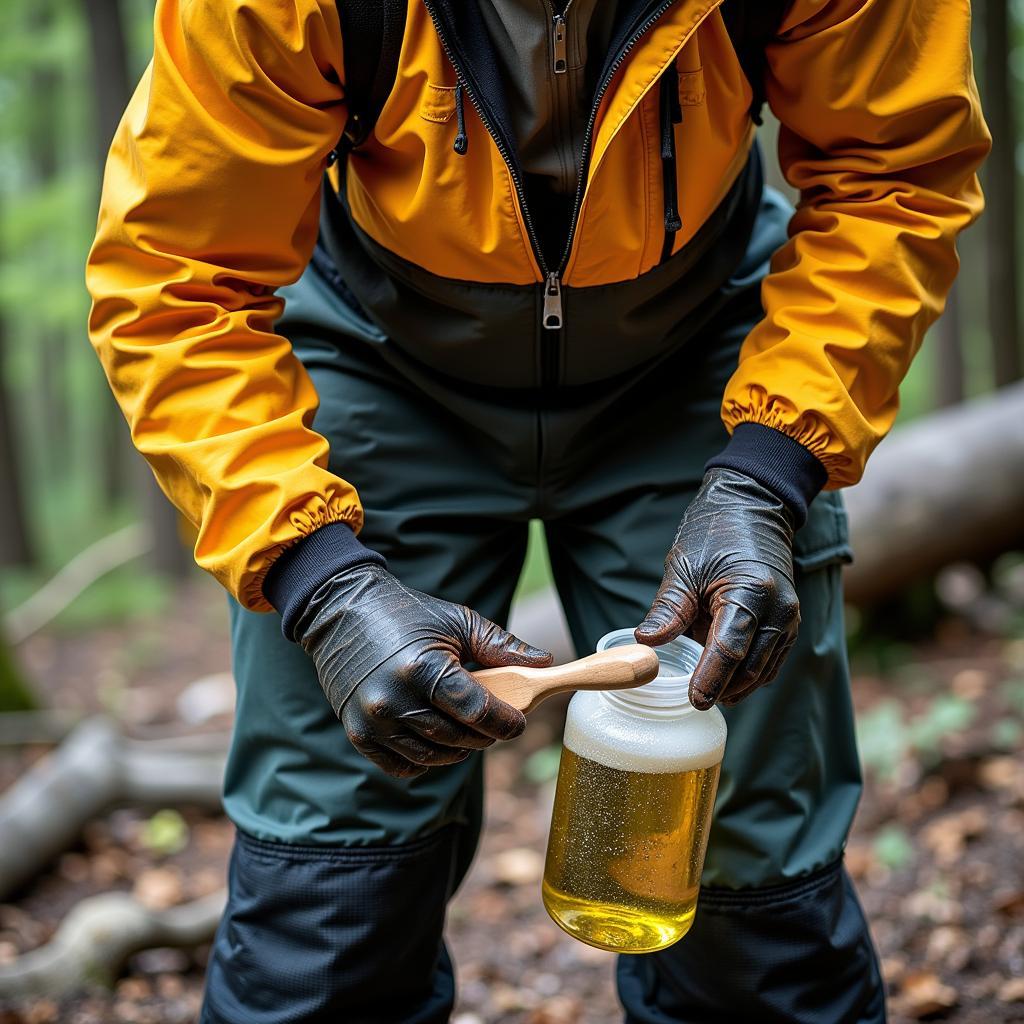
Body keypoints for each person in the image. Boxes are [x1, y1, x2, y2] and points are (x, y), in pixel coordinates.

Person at [86, 0, 989, 1020]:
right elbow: (175, 272)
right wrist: (320, 582)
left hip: (707, 360)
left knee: (743, 888)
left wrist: (767, 473)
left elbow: (893, 173)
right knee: (329, 895)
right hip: (376, 358)